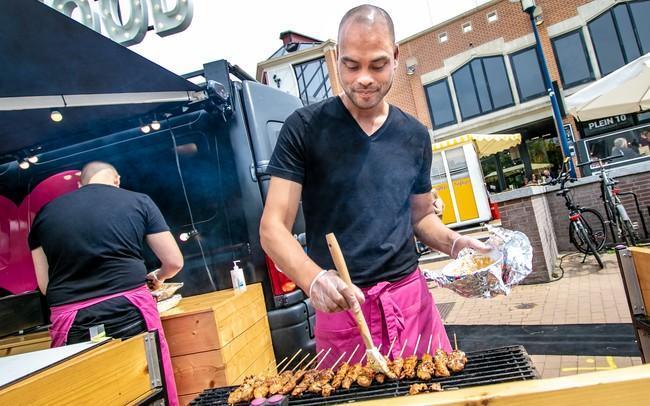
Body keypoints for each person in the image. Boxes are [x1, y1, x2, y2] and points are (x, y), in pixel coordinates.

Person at [260, 4, 490, 367]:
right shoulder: (303, 129)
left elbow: (421, 219)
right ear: (336, 59)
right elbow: (273, 228)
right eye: (352, 65)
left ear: (396, 57)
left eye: (378, 64)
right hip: (344, 307)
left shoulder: (414, 135)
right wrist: (313, 279)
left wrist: (457, 243)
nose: (363, 78)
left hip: (411, 301)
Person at [29, 161, 183, 405]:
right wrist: (159, 277)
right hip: (131, 307)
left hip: (70, 318)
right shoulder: (138, 201)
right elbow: (174, 261)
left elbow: (45, 285)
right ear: (116, 180)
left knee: (80, 393)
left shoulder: (44, 215)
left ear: (80, 184)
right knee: (152, 386)